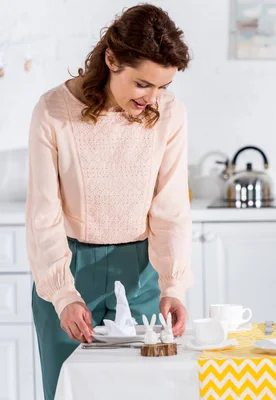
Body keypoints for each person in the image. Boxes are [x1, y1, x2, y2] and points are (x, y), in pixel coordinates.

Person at [26, 4, 193, 399]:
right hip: (69, 266)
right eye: (142, 84)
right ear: (111, 59)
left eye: (162, 87)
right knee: (68, 389)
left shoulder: (171, 115)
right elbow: (43, 214)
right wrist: (63, 294)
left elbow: (170, 210)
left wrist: (173, 285)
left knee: (147, 390)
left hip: (142, 271)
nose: (152, 99)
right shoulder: (53, 112)